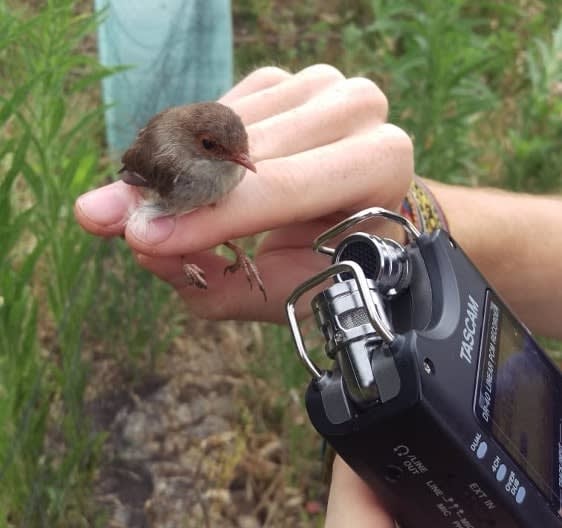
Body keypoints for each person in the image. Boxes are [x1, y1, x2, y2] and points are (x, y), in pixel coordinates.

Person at [74, 64, 562, 527]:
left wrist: (237, 249)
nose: (243, 161)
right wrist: (406, 215)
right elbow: (137, 177)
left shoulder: (232, 161)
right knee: (177, 232)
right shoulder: (167, 160)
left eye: (241, 150)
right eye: (218, 149)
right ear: (198, 145)